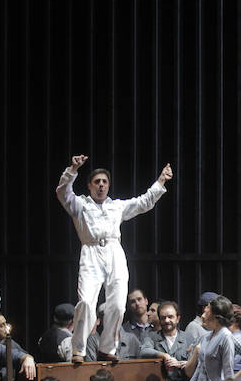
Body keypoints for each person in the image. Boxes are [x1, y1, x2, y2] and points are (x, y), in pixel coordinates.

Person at [56, 154, 172, 364]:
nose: (101, 185)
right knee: (86, 302)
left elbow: (143, 202)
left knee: (118, 304)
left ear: (108, 186)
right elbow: (63, 193)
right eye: (97, 182)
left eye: (104, 182)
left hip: (114, 251)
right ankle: (78, 350)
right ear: (90, 185)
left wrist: (161, 181)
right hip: (91, 251)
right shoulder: (81, 205)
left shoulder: (116, 206)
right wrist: (72, 170)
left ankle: (107, 348)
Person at [138, 301, 193, 381]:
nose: (167, 320)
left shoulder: (188, 338)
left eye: (170, 317)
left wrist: (180, 364)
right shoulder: (151, 337)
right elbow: (143, 351)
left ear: (178, 318)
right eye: (163, 317)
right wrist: (164, 355)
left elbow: (194, 364)